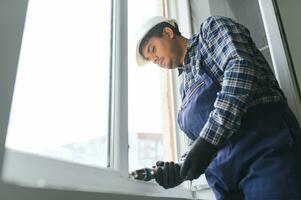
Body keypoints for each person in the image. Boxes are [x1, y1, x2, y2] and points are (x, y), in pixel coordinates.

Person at [135, 15, 301, 199]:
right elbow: (197, 141)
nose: (155, 59)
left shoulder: (210, 32)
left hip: (263, 150)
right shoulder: (184, 88)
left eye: (153, 49)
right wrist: (182, 167)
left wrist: (207, 141)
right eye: (151, 59)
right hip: (224, 182)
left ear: (168, 32)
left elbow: (241, 68)